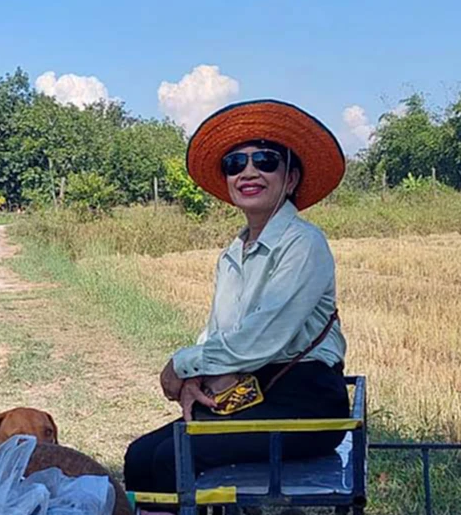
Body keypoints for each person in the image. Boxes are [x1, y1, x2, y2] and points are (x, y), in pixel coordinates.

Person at [124, 99, 351, 493]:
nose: (248, 172)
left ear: (290, 178)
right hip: (247, 392)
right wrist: (196, 379)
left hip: (305, 403)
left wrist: (182, 364)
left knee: (171, 459)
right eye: (235, 163)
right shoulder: (233, 253)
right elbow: (218, 332)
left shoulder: (304, 243)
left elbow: (260, 339)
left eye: (264, 160)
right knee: (140, 456)